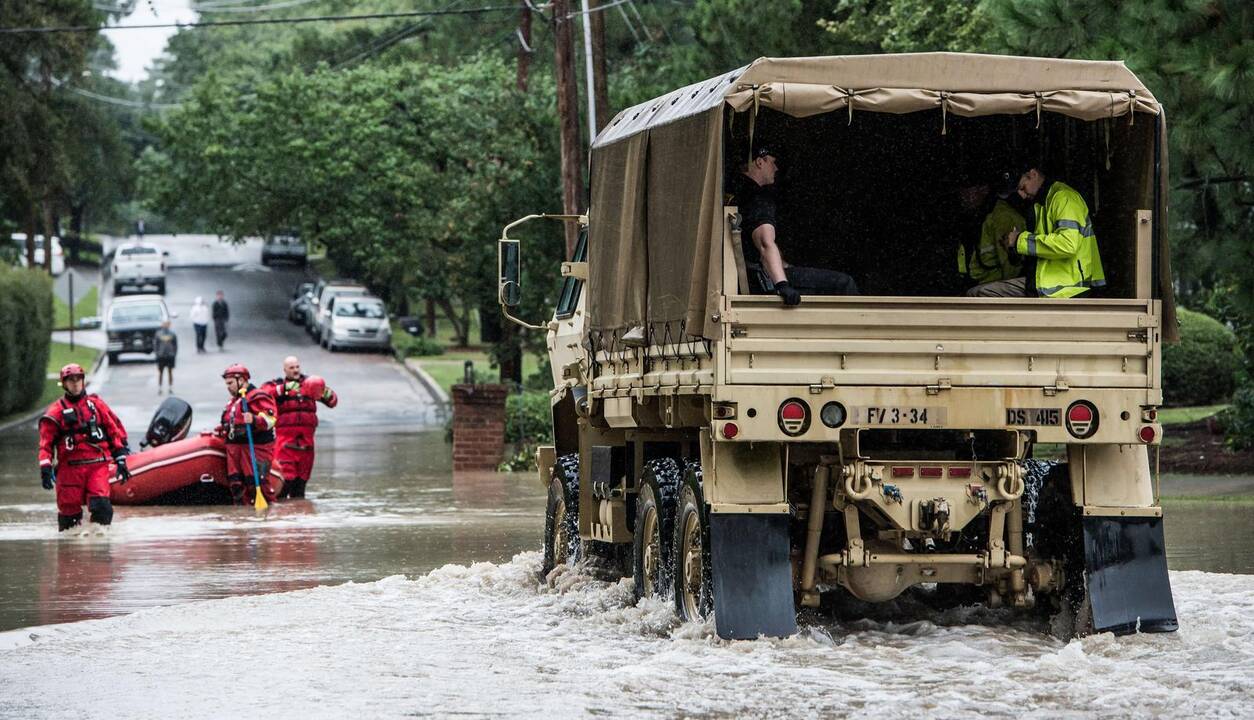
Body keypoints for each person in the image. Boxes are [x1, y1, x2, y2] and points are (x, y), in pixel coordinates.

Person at [726, 146, 859, 305]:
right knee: (843, 283)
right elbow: (764, 243)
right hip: (764, 279)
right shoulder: (758, 198)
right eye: (773, 162)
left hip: (748, 277)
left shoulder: (734, 193)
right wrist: (782, 284)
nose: (776, 168)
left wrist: (784, 265)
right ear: (760, 162)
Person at [967, 164, 1105, 298]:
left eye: (1022, 187)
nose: (1021, 195)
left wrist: (1019, 240)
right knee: (979, 292)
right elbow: (1042, 251)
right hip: (1048, 282)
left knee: (979, 294)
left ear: (1033, 174)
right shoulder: (1040, 204)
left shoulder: (1063, 198)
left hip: (1066, 287)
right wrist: (1014, 250)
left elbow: (1068, 244)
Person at [38, 364, 130, 532]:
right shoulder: (55, 413)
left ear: (83, 381)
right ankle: (71, 551)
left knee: (101, 506)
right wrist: (45, 466)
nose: (75, 383)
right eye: (71, 380)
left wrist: (121, 459)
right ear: (64, 384)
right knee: (68, 517)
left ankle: (99, 548)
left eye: (78, 379)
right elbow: (46, 444)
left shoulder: (96, 406)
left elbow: (113, 432)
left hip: (97, 465)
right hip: (70, 469)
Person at [261, 356, 339, 500]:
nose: (296, 370)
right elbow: (262, 395)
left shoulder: (310, 383)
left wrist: (326, 393)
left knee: (301, 482)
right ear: (285, 370)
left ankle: (300, 513)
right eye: (292, 368)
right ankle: (284, 516)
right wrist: (283, 389)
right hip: (285, 442)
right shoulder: (276, 385)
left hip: (306, 442)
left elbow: (333, 402)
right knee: (286, 481)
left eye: (297, 367)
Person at [216, 364, 278, 506]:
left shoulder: (258, 396)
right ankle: (243, 520)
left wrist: (255, 419)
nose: (228, 387)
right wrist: (222, 429)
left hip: (255, 448)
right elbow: (232, 423)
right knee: (236, 485)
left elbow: (271, 419)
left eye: (231, 383)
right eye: (227, 384)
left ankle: (270, 518)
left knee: (257, 485)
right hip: (235, 449)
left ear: (242, 380)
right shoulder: (233, 402)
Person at [957, 175, 1028, 289]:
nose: (964, 196)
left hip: (994, 288)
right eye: (962, 190)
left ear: (984, 189)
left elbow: (1012, 266)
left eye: (968, 189)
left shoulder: (1002, 217)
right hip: (977, 284)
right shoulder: (976, 217)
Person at [154, 320, 178, 394]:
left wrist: (174, 353)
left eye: (167, 324)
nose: (166, 325)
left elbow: (175, 345)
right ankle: (160, 388)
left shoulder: (172, 334)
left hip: (170, 356)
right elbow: (155, 345)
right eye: (164, 324)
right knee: (160, 372)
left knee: (170, 372)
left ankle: (170, 388)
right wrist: (157, 354)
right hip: (161, 356)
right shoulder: (158, 334)